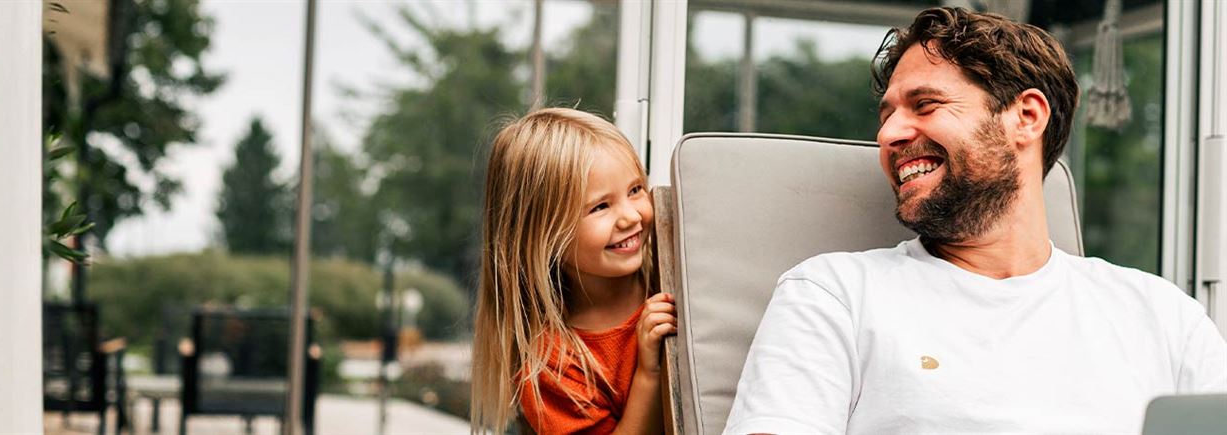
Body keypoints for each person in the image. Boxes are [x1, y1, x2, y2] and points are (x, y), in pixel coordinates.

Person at [724, 7, 1227, 433]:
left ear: (1026, 117)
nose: (889, 134)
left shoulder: (1162, 317)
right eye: (886, 115)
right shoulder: (833, 295)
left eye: (925, 104)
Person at [470, 108, 677, 435]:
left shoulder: (677, 276)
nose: (630, 217)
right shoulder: (550, 367)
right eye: (600, 206)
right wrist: (648, 374)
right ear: (544, 236)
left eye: (635, 190)